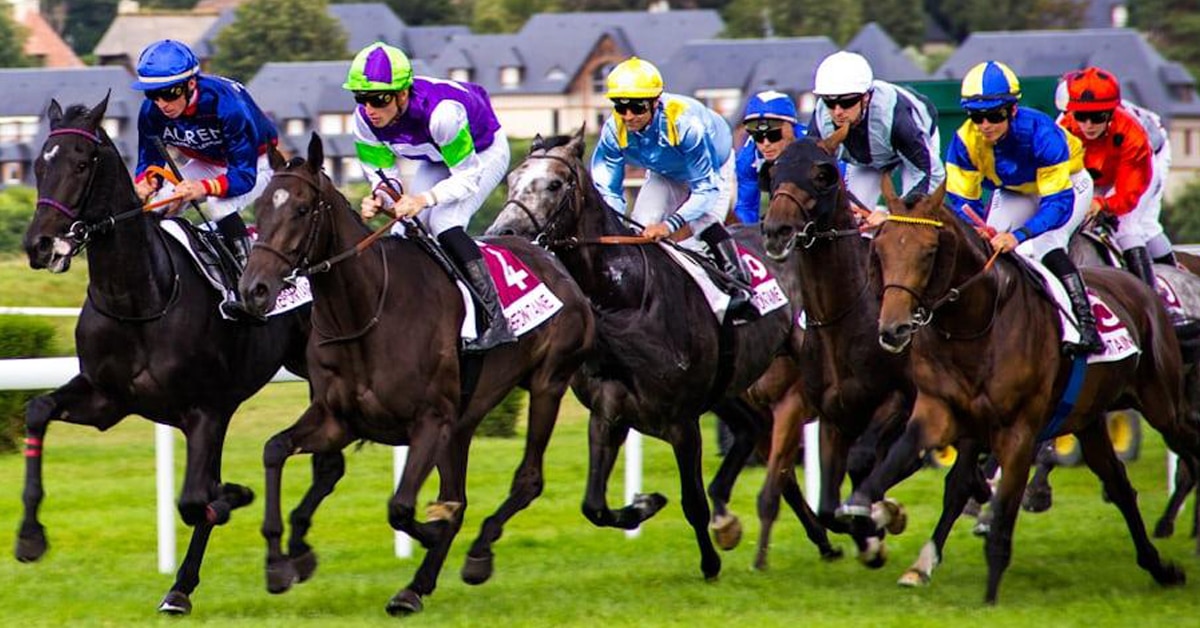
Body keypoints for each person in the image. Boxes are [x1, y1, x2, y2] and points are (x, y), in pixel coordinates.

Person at [348, 42, 515, 351]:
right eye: (361, 98)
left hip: (481, 153)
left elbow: (466, 178)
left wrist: (423, 199)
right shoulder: (363, 121)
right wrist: (381, 198)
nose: (369, 108)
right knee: (402, 230)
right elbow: (385, 179)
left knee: (443, 222)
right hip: (435, 155)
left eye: (378, 99)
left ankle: (495, 318)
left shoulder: (442, 115)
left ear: (402, 94)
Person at [945, 60, 1101, 354]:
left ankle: (1085, 326)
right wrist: (979, 227)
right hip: (1015, 189)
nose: (985, 125)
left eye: (994, 115)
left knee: (1045, 244)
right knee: (986, 249)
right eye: (976, 117)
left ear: (1012, 110)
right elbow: (962, 200)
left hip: (1067, 186)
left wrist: (1018, 236)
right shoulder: (964, 141)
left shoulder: (1041, 132)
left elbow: (1057, 203)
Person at [591, 56, 756, 319]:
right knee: (638, 227)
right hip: (665, 171)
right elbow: (608, 189)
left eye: (636, 107)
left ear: (656, 102)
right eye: (620, 108)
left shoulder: (685, 125)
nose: (629, 116)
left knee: (703, 225)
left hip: (710, 170)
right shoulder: (613, 130)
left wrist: (669, 226)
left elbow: (704, 189)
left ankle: (740, 286)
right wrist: (613, 225)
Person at [130, 39, 278, 323]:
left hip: (258, 163)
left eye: (170, 93)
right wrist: (146, 182)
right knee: (160, 205)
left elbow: (243, 176)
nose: (162, 104)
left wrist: (202, 188)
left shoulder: (227, 105)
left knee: (217, 206)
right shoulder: (151, 113)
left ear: (191, 84)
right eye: (153, 95)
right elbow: (149, 159)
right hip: (207, 162)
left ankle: (246, 285)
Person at [1058, 67, 1179, 289]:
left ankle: (1159, 299)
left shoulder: (1133, 135)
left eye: (1097, 117)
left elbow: (1127, 194)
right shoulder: (1064, 128)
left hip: (1144, 160)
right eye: (1080, 116)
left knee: (1132, 225)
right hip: (1097, 164)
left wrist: (1101, 203)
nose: (1088, 125)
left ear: (1111, 112)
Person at [807, 51, 944, 225]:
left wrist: (891, 214)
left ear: (866, 97)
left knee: (908, 222)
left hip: (915, 152)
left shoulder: (896, 119)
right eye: (830, 102)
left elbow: (931, 174)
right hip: (865, 160)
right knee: (849, 222)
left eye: (847, 102)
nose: (838, 111)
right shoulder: (821, 117)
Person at [733, 90, 806, 224]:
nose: (765, 144)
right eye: (758, 136)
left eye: (774, 135)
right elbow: (746, 207)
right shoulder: (747, 159)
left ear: (790, 127)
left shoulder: (813, 146)